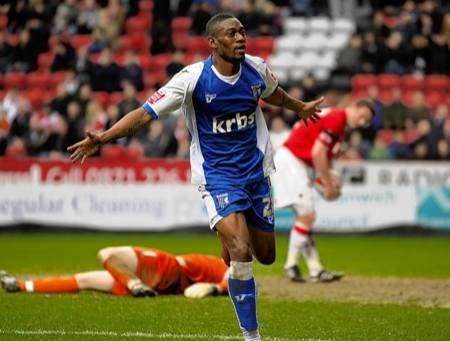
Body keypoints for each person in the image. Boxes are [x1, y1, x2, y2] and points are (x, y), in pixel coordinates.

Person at [67, 13, 322, 341]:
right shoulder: (191, 79)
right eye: (232, 34)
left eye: (243, 32)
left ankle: (229, 235)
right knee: (242, 252)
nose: (241, 38)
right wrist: (103, 138)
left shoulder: (256, 68)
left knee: (267, 256)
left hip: (256, 173)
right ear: (213, 43)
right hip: (217, 177)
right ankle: (251, 335)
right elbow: (144, 114)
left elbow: (273, 92)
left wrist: (298, 107)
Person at [271, 100, 374, 283]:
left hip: (296, 163)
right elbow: (318, 153)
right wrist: (327, 182)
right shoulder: (337, 119)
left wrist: (326, 178)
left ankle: (315, 269)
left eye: (365, 121)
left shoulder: (337, 124)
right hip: (292, 162)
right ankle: (291, 265)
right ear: (354, 107)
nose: (361, 122)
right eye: (361, 116)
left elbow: (319, 155)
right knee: (308, 216)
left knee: (306, 218)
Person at [0, 246, 228, 299]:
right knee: (86, 279)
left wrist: (214, 288)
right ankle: (19, 285)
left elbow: (235, 280)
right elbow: (237, 282)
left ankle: (133, 285)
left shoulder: (227, 264)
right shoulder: (230, 265)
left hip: (166, 266)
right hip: (163, 283)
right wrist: (215, 288)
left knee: (106, 253)